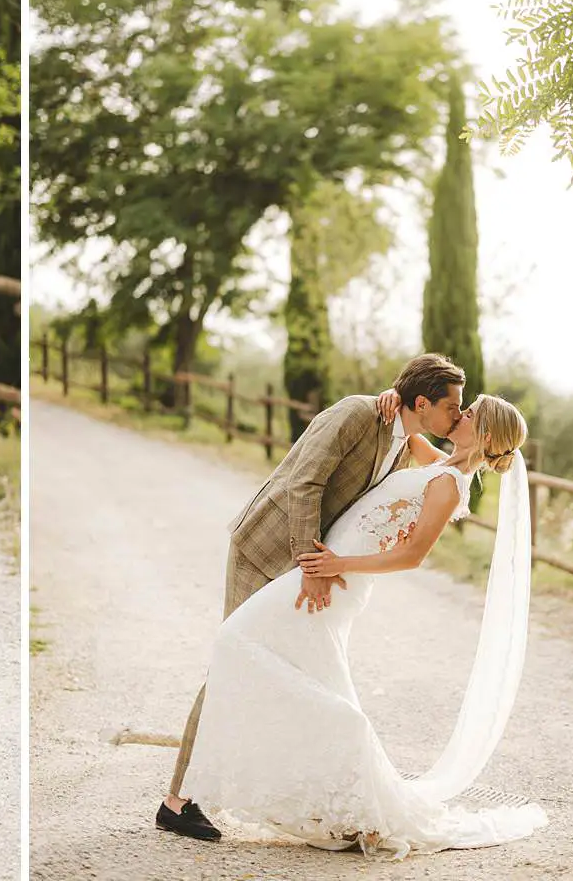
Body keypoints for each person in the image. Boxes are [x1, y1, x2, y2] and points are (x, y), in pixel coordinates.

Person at [178, 394, 547, 858]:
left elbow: (411, 556)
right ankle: (325, 794)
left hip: (338, 579)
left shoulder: (452, 484)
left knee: (239, 638)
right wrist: (388, 395)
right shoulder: (441, 461)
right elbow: (408, 428)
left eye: (469, 413)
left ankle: (339, 770)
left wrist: (336, 565)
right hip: (325, 569)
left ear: (486, 435)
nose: (460, 414)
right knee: (295, 665)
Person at [157, 353, 466, 841]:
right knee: (232, 659)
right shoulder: (357, 414)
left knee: (291, 673)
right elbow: (305, 483)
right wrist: (310, 566)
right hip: (267, 550)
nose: (458, 415)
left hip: (310, 565)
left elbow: (456, 464)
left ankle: (295, 792)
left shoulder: (404, 437)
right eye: (452, 407)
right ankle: (177, 801)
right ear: (423, 402)